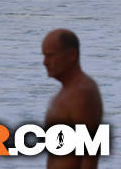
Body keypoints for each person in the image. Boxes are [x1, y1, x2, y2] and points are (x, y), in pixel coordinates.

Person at [42, 29, 103, 168]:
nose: (44, 62)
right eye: (44, 56)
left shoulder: (82, 93)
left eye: (50, 55)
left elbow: (90, 156)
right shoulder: (67, 92)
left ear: (72, 55)